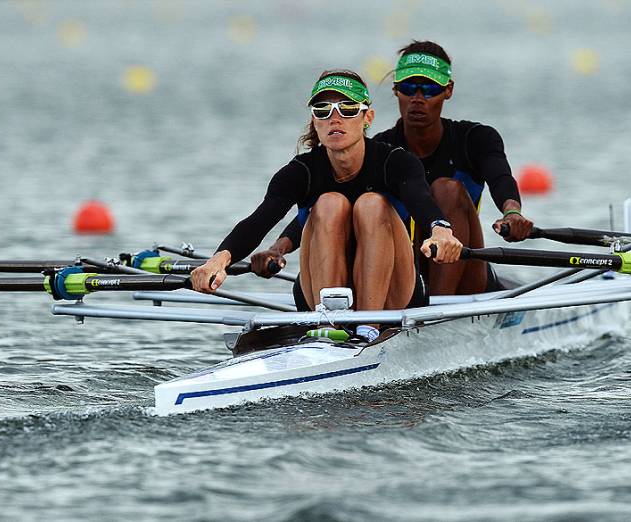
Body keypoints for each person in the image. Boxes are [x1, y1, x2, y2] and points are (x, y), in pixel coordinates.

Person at [191, 70, 463, 336]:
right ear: (315, 121)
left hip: (394, 295)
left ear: (367, 117)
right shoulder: (301, 171)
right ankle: (329, 328)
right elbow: (260, 220)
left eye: (347, 108)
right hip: (318, 293)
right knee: (329, 203)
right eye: (323, 110)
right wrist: (219, 259)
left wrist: (440, 229)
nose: (335, 118)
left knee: (371, 204)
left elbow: (421, 199)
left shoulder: (395, 161)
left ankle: (370, 327)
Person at [252, 41, 534, 296]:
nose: (418, 98)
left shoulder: (476, 139)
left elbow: (501, 178)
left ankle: (436, 309)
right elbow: (316, 208)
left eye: (430, 89)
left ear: (447, 91)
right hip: (403, 268)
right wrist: (278, 249)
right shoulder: (380, 150)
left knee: (445, 188)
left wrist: (512, 212)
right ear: (396, 90)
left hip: (462, 270)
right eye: (409, 88)